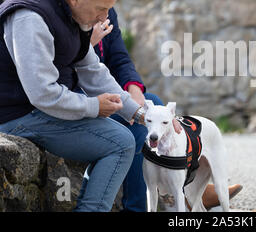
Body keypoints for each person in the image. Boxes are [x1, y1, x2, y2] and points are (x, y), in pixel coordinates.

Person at [0, 0, 182, 211]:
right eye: (101, 9)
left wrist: (142, 114)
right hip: (15, 115)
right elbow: (42, 94)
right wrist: (94, 106)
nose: (105, 18)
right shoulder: (31, 17)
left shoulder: (72, 11)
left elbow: (93, 72)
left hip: (36, 106)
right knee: (119, 142)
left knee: (122, 133)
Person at [89, 11, 243, 211]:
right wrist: (87, 45)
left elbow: (120, 59)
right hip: (84, 99)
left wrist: (133, 89)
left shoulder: (106, 11)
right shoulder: (57, 14)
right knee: (138, 131)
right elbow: (73, 71)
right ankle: (138, 207)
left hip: (110, 91)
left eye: (108, 7)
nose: (105, 13)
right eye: (101, 6)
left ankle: (184, 183)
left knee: (153, 102)